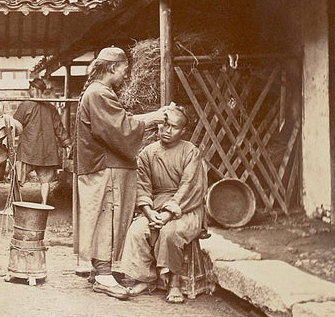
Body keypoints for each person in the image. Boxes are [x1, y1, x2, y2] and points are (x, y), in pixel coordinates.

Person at [73, 46, 167, 300]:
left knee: (103, 216)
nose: (126, 75)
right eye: (125, 70)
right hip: (106, 168)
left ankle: (101, 270)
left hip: (103, 167)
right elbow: (121, 128)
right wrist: (154, 118)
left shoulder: (97, 92)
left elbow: (119, 124)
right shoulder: (99, 94)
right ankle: (104, 274)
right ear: (113, 67)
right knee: (109, 217)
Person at [120, 106, 207, 303]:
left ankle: (174, 283)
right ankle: (144, 279)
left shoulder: (191, 152)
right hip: (156, 208)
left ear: (183, 131)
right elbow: (142, 186)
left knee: (170, 232)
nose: (166, 131)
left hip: (187, 209)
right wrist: (149, 212)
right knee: (137, 229)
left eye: (173, 127)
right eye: (164, 125)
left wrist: (169, 213)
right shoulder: (148, 153)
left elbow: (190, 187)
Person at [13, 77, 71, 204]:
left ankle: (14, 205)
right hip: (46, 153)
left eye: (30, 89)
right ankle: (43, 204)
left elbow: (15, 126)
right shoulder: (51, 108)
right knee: (45, 181)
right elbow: (59, 129)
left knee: (16, 178)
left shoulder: (25, 106)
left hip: (28, 151)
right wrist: (66, 143)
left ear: (33, 89)